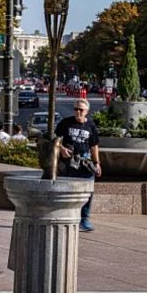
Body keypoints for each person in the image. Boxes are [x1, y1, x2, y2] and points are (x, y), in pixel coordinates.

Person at [55, 99, 101, 232]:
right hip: (69, 164)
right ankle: (65, 217)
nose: (78, 112)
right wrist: (62, 148)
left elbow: (94, 146)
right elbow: (54, 139)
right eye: (76, 109)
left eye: (81, 110)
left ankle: (84, 219)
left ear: (86, 112)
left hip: (85, 164)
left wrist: (97, 163)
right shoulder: (66, 123)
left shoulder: (91, 126)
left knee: (88, 192)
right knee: (66, 191)